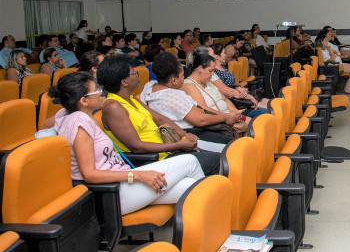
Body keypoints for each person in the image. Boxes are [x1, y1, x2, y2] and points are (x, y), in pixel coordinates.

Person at [50, 71, 204, 216]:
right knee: (190, 161)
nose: (101, 92)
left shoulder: (68, 114)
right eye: (95, 90)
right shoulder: (79, 123)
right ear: (83, 101)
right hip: (114, 193)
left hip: (124, 183)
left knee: (193, 187)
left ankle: (202, 229)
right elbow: (89, 175)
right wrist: (138, 175)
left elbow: (47, 125)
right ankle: (200, 230)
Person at [96, 54, 222, 176]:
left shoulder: (130, 98)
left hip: (167, 151)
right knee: (218, 161)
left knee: (220, 155)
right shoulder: (113, 107)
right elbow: (136, 147)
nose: (137, 75)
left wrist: (184, 135)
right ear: (124, 82)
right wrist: (178, 145)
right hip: (154, 162)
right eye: (134, 73)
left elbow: (159, 118)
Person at [141, 52, 238, 148]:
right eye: (182, 76)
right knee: (234, 145)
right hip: (190, 134)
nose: (184, 79)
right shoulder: (173, 96)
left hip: (181, 133)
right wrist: (226, 117)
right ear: (174, 80)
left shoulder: (149, 87)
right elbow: (201, 120)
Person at [182, 47, 249, 131]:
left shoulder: (208, 82)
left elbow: (224, 99)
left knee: (256, 124)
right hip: (216, 124)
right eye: (210, 71)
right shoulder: (189, 85)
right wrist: (228, 117)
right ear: (200, 69)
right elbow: (203, 108)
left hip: (228, 117)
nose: (213, 74)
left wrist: (235, 113)